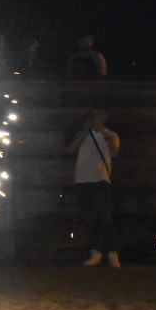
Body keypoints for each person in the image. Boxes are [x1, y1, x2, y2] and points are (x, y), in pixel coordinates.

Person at [66, 108, 121, 268]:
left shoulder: (111, 135)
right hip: (83, 180)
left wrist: (102, 133)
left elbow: (114, 152)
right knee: (89, 218)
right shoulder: (83, 134)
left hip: (101, 179)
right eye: (93, 116)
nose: (96, 119)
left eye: (99, 116)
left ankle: (112, 253)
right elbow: (71, 149)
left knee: (104, 216)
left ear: (104, 118)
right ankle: (94, 252)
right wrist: (85, 130)